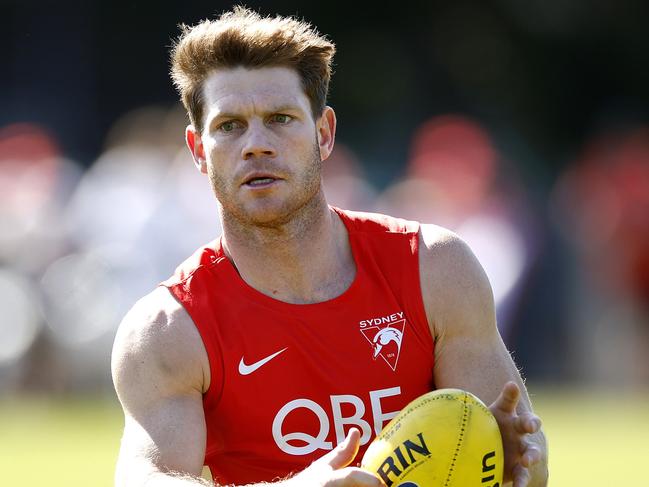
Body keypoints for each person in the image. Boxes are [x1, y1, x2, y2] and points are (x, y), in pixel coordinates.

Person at [111, 7, 548, 487]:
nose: (257, 144)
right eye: (230, 126)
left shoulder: (434, 268)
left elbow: (527, 463)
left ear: (323, 134)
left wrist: (515, 459)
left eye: (280, 119)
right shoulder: (169, 328)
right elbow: (147, 478)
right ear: (198, 150)